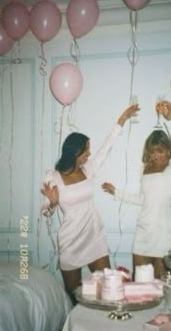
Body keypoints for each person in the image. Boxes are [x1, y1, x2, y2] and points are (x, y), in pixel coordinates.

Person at [41, 104, 139, 304]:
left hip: (94, 236)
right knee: (75, 294)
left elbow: (107, 147)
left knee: (107, 288)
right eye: (86, 150)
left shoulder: (88, 169)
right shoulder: (54, 177)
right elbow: (45, 210)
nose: (89, 153)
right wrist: (51, 203)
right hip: (70, 241)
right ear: (75, 152)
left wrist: (121, 120)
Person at [102, 101, 171, 279]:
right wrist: (115, 191)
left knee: (162, 286)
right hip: (144, 231)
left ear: (168, 150)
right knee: (139, 282)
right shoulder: (145, 169)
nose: (156, 155)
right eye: (152, 151)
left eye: (160, 151)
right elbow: (142, 199)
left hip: (165, 232)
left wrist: (170, 120)